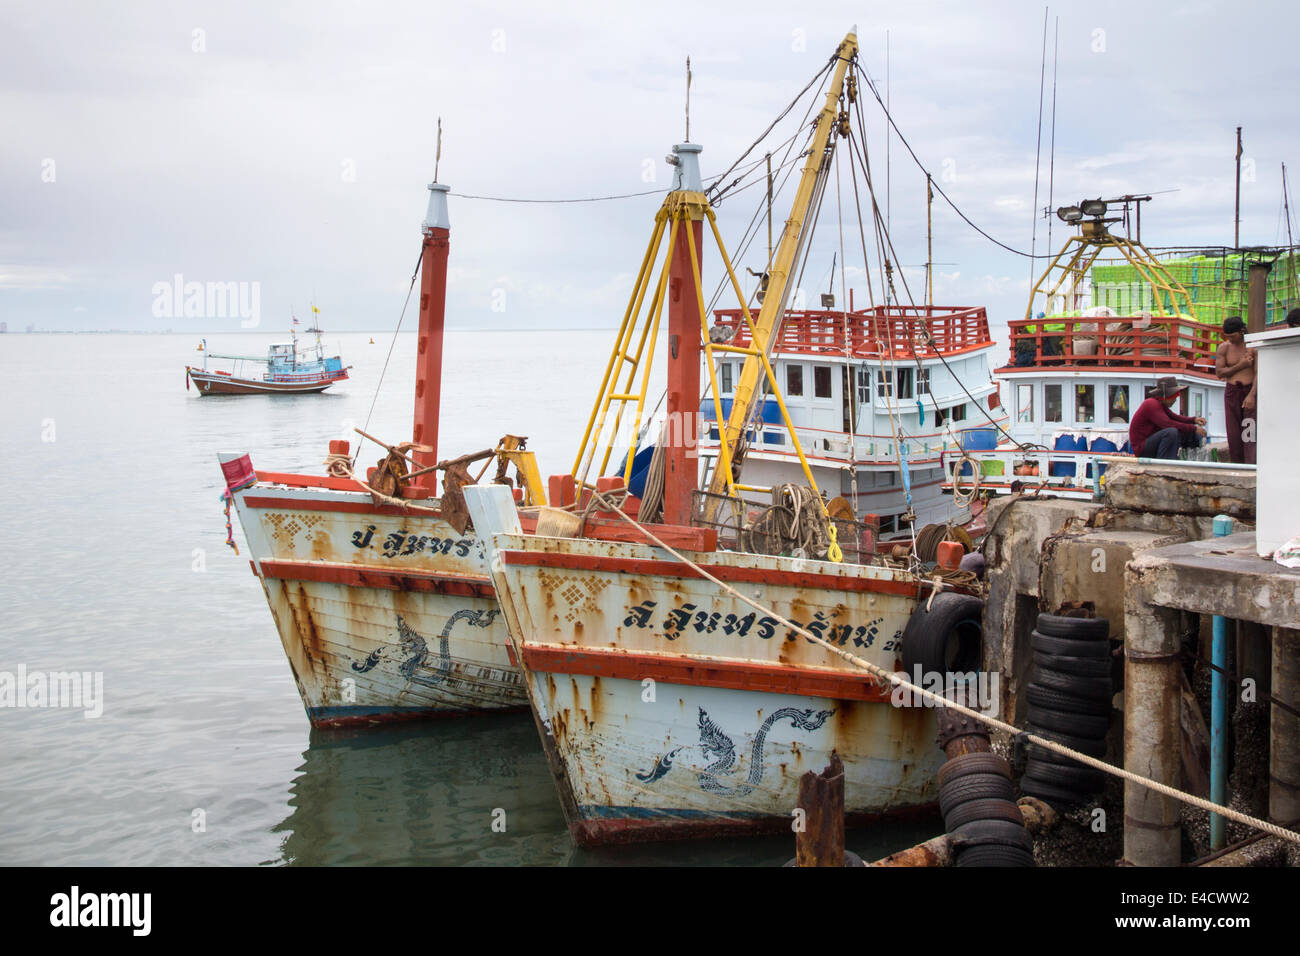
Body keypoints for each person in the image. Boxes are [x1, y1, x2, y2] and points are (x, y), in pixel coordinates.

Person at [1129, 376, 1207, 459]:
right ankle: (1166, 463)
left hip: (1152, 444)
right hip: (1142, 449)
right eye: (1174, 398)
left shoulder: (1160, 405)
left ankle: (1190, 458)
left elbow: (1175, 417)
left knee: (1190, 433)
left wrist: (1193, 420)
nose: (1175, 400)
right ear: (1166, 396)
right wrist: (1194, 428)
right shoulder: (1151, 404)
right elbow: (1168, 424)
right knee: (1171, 432)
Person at [1215, 315, 1256, 464]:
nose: (1230, 339)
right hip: (1232, 391)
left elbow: (1258, 373)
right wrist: (1241, 365)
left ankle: (1251, 464)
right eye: (1227, 337)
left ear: (1242, 331)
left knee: (1250, 431)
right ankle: (1237, 464)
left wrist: (1252, 395)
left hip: (1249, 390)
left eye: (1233, 336)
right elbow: (1219, 372)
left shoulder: (1252, 346)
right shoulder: (1224, 347)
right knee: (1233, 433)